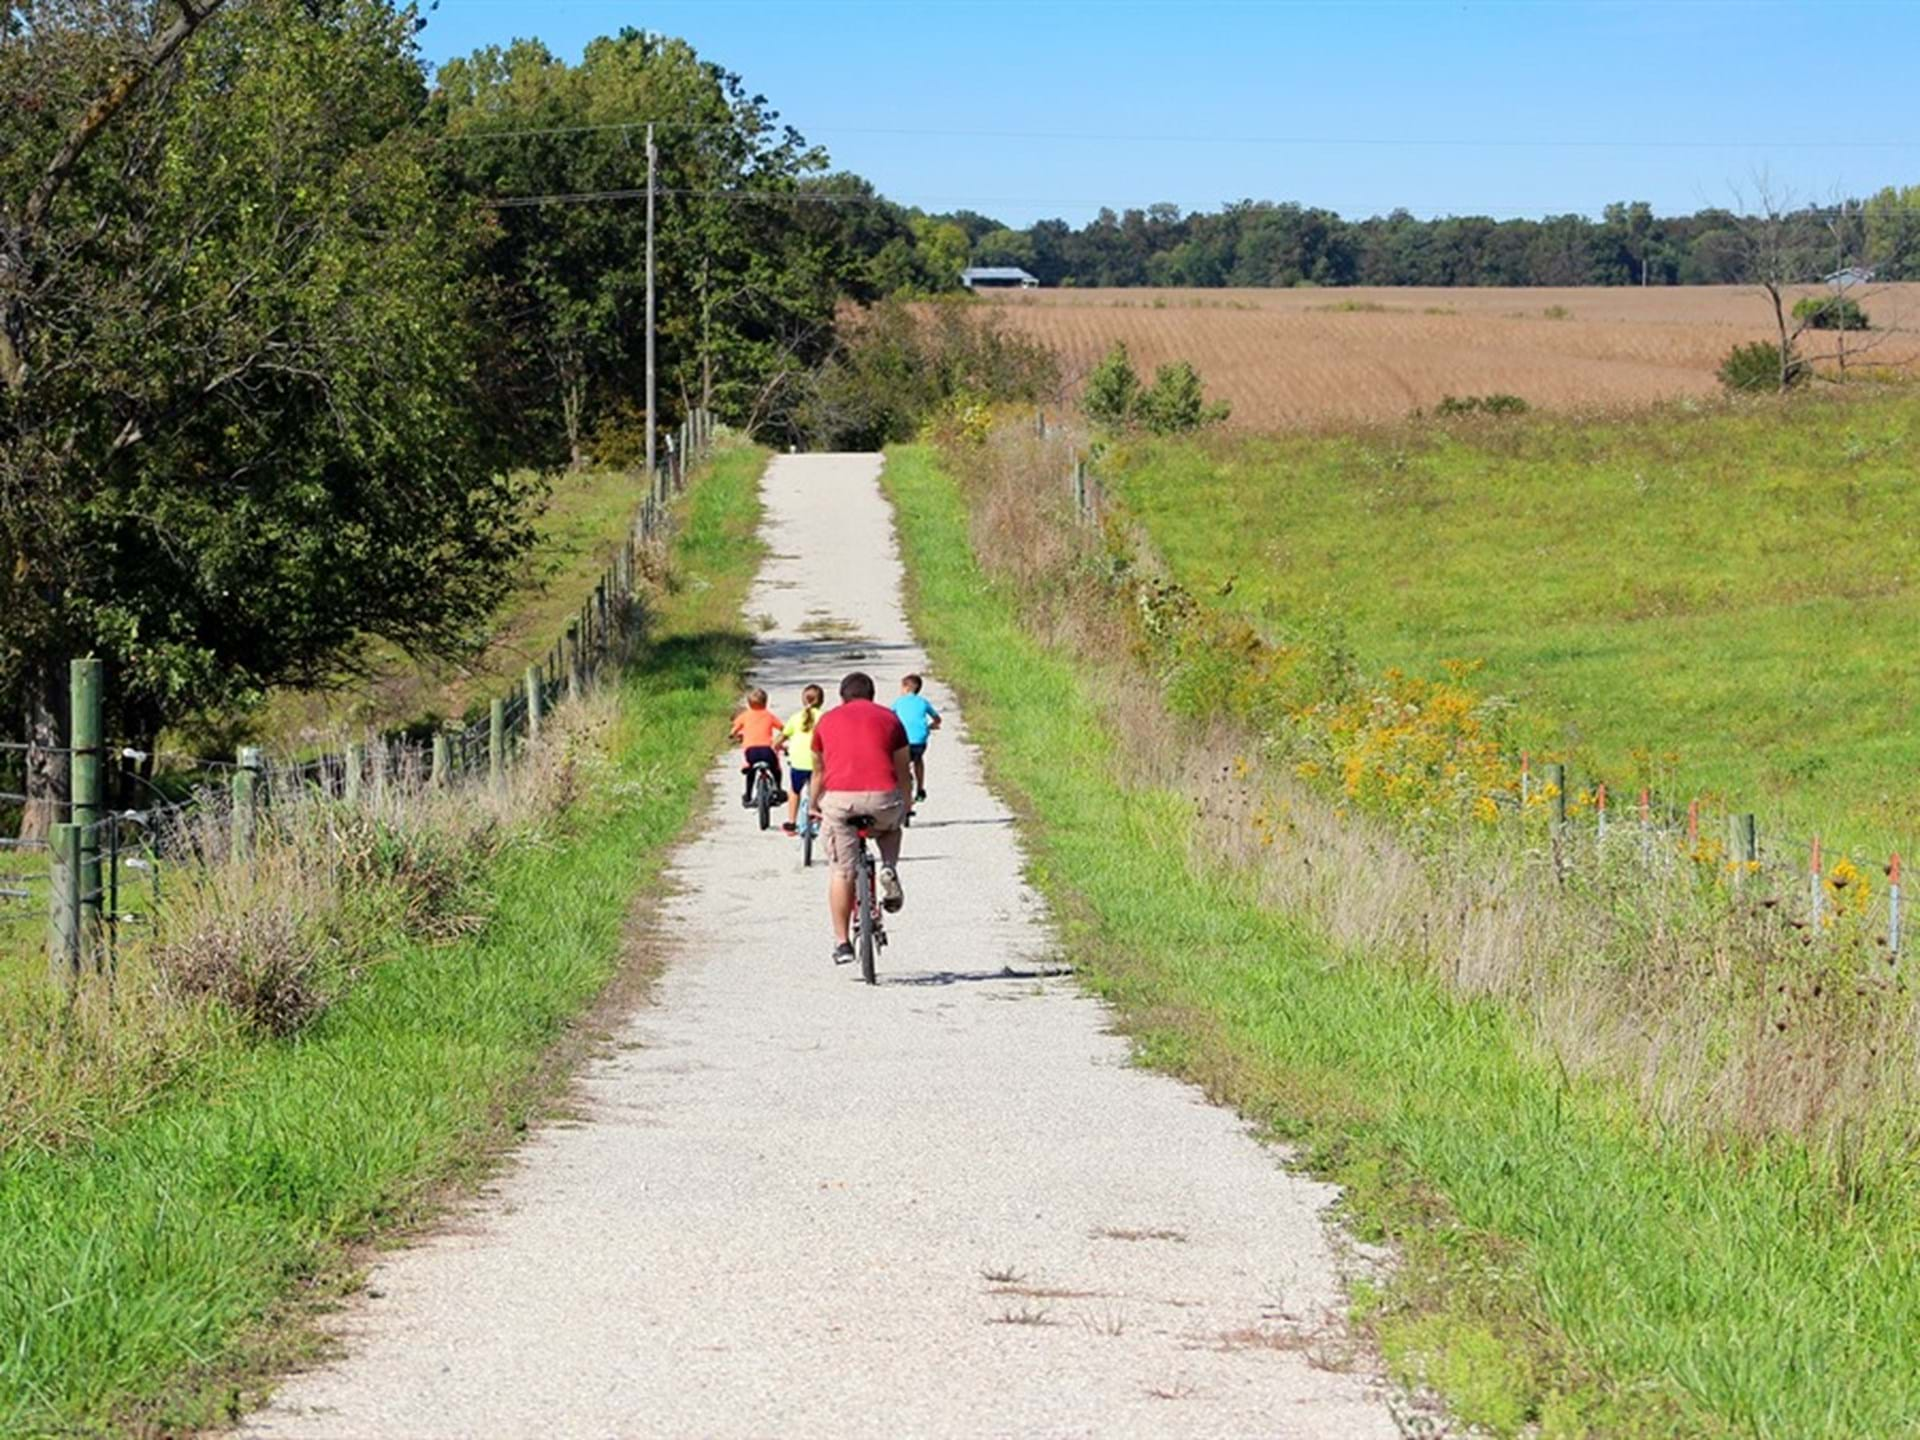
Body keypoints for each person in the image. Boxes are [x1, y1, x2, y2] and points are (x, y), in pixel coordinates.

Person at [809, 671, 910, 965]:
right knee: (891, 828)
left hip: (841, 801)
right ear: (872, 695)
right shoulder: (890, 719)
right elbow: (903, 770)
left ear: (842, 697)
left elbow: (818, 772)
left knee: (842, 871)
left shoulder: (826, 720)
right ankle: (889, 867)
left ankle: (842, 943)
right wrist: (904, 803)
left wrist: (813, 804)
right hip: (882, 797)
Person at [777, 684, 825, 835]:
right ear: (821, 701)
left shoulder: (795, 718)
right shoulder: (824, 717)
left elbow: (781, 737)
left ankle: (791, 823)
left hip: (798, 761)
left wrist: (777, 746)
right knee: (819, 790)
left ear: (803, 700)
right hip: (817, 762)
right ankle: (818, 815)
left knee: (794, 790)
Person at [890, 673, 942, 805]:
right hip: (919, 741)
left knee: (900, 764)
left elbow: (889, 718)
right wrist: (933, 725)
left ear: (906, 688)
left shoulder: (899, 702)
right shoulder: (923, 702)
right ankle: (920, 789)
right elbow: (937, 718)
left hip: (904, 741)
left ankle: (897, 788)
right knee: (918, 760)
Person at [728, 688, 783, 808]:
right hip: (767, 750)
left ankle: (748, 796)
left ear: (748, 704)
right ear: (766, 702)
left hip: (751, 751)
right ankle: (778, 789)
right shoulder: (769, 716)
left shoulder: (744, 716)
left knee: (751, 772)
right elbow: (782, 727)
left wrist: (732, 735)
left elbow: (734, 729)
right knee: (776, 768)